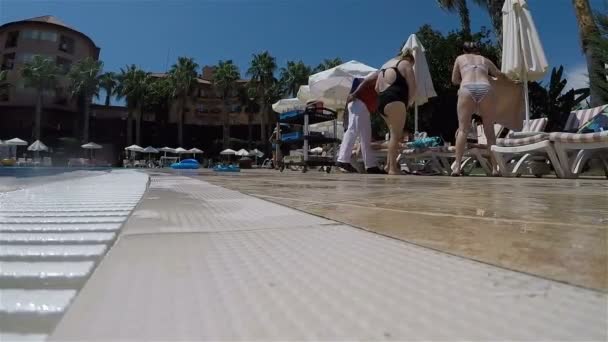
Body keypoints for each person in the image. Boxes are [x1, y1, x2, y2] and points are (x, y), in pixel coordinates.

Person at [349, 50, 416, 175]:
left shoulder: (385, 65)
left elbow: (376, 88)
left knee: (392, 135)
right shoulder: (406, 64)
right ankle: (392, 169)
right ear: (410, 60)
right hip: (395, 99)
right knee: (396, 136)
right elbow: (413, 87)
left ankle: (388, 166)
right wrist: (408, 104)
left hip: (381, 101)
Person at [451, 41, 506, 176]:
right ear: (478, 51)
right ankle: (494, 168)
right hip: (485, 88)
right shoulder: (485, 60)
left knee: (463, 129)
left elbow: (454, 80)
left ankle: (457, 167)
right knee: (489, 131)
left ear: (464, 51)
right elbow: (499, 75)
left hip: (467, 88)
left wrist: (464, 79)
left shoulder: (460, 58)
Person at [337, 78, 385, 174]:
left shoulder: (385, 79)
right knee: (353, 129)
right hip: (359, 102)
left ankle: (370, 165)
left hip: (364, 106)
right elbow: (366, 81)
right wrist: (355, 94)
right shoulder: (379, 74)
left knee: (366, 137)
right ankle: (342, 160)